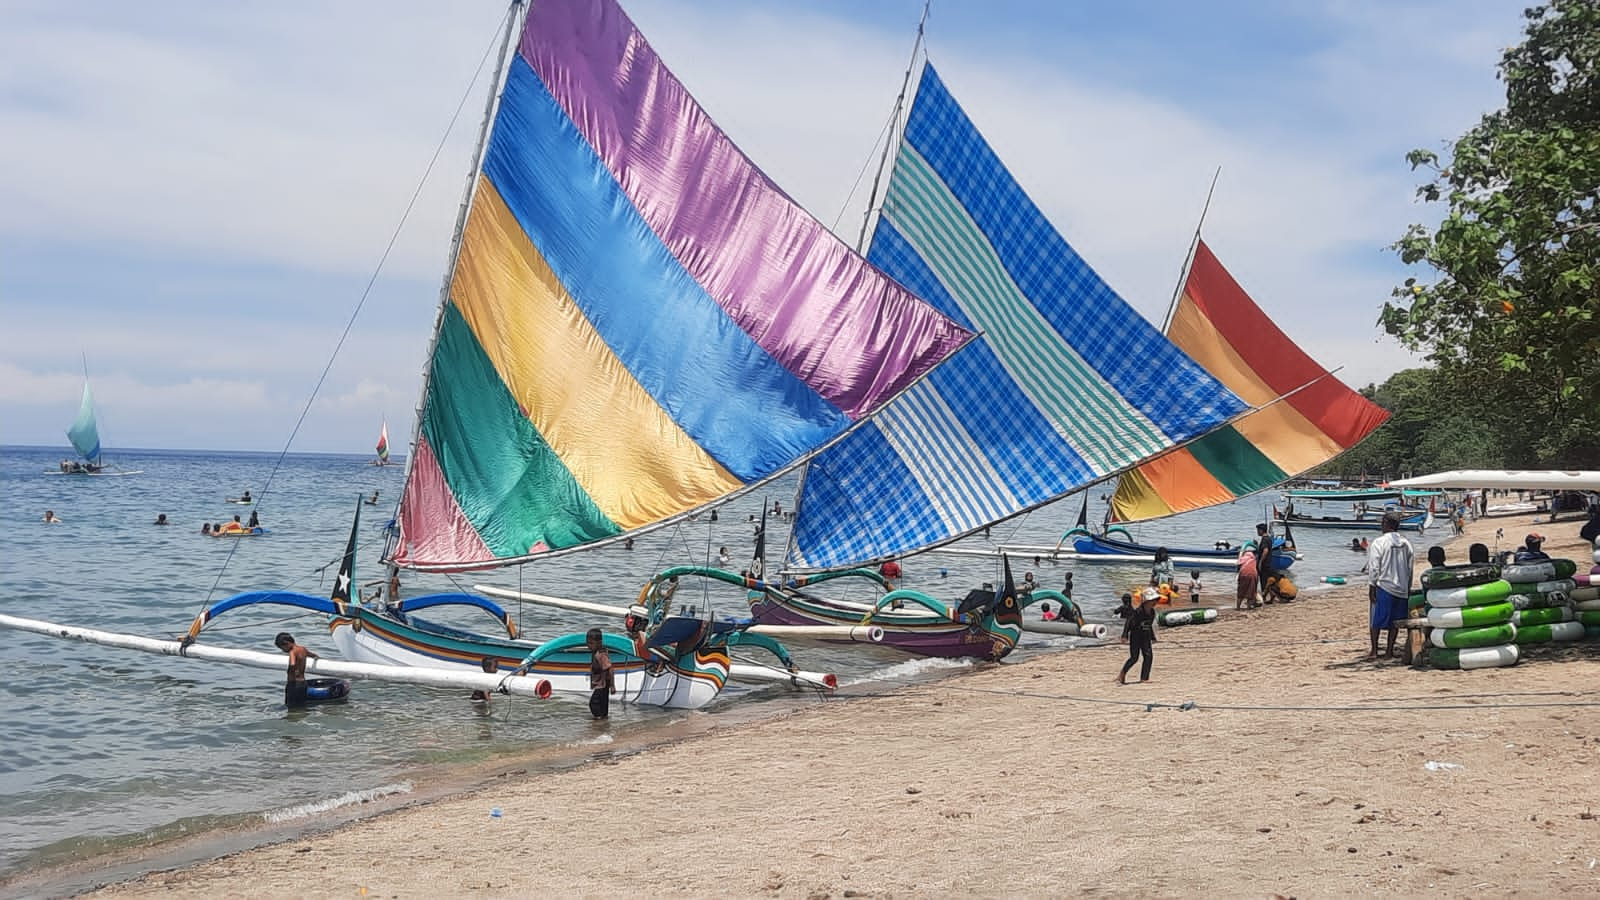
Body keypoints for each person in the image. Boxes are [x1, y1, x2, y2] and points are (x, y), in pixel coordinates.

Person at [1365, 512, 1414, 661]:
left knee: (1376, 620)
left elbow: (1374, 567)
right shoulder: (1406, 543)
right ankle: (1389, 650)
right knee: (1395, 622)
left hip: (1384, 585)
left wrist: (1371, 586)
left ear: (1386, 523)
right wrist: (1408, 586)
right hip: (1401, 586)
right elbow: (1410, 567)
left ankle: (1374, 650)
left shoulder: (1379, 542)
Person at [1118, 588, 1158, 684]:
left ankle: (1144, 678)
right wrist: (1124, 635)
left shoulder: (1152, 612)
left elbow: (1149, 625)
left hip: (1146, 636)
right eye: (1151, 601)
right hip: (1135, 636)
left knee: (1148, 656)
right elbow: (1128, 623)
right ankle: (1122, 673)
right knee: (1134, 658)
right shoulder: (1138, 612)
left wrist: (1153, 637)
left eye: (1155, 600)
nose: (1154, 603)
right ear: (1145, 601)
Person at [274, 632, 318, 708]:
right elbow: (314, 655)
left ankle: (292, 719)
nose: (283, 650)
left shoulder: (292, 652)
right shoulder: (303, 649)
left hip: (293, 684)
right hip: (303, 683)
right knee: (301, 705)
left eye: (282, 648)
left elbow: (292, 664)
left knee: (291, 707)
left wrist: (289, 671)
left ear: (287, 643)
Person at [586, 628, 615, 720]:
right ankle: (604, 721)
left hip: (603, 684)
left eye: (591, 643)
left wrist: (612, 685)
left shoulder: (601, 654)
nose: (588, 646)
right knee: (603, 705)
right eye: (587, 643)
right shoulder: (595, 652)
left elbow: (610, 669)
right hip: (601, 684)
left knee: (593, 703)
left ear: (599, 643)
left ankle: (599, 721)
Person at [1236, 542, 1259, 610]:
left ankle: (1238, 607)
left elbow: (1238, 568)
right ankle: (1248, 606)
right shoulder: (1253, 559)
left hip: (1244, 574)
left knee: (1241, 592)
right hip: (1253, 575)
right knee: (1251, 592)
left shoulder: (1242, 559)